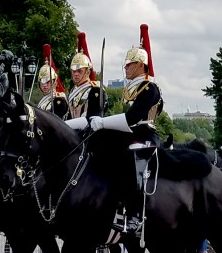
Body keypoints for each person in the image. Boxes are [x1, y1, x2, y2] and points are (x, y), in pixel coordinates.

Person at [66, 27, 164, 236]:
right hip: (129, 134)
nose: (125, 68)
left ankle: (135, 214)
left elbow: (133, 118)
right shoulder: (129, 89)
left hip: (145, 135)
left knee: (128, 158)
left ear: (140, 65)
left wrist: (102, 122)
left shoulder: (149, 88)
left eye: (129, 64)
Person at [35, 43, 69, 119]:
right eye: (42, 82)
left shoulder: (58, 100)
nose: (44, 85)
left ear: (54, 83)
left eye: (48, 82)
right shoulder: (43, 100)